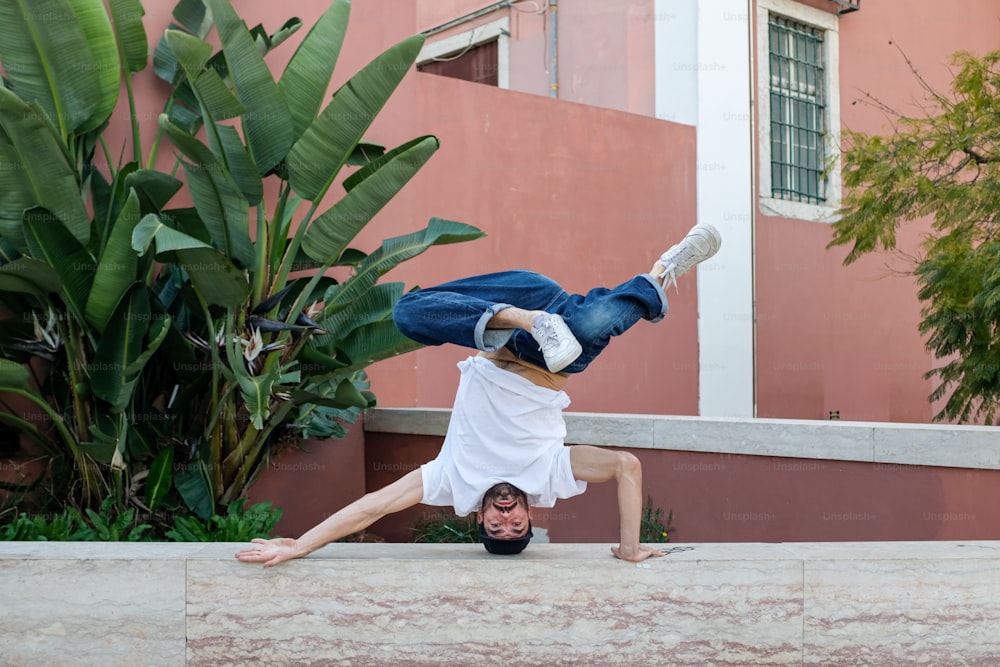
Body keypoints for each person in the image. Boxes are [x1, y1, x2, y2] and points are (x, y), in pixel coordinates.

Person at [236, 223, 722, 567]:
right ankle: (663, 269)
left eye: (496, 525)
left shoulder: (453, 482)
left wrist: (298, 545)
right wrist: (629, 548)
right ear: (534, 513)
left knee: (407, 313)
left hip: (507, 324)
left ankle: (532, 319)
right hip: (556, 354)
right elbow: (626, 467)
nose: (506, 516)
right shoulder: (548, 476)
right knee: (592, 323)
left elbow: (374, 506)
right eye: (516, 524)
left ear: (479, 518)